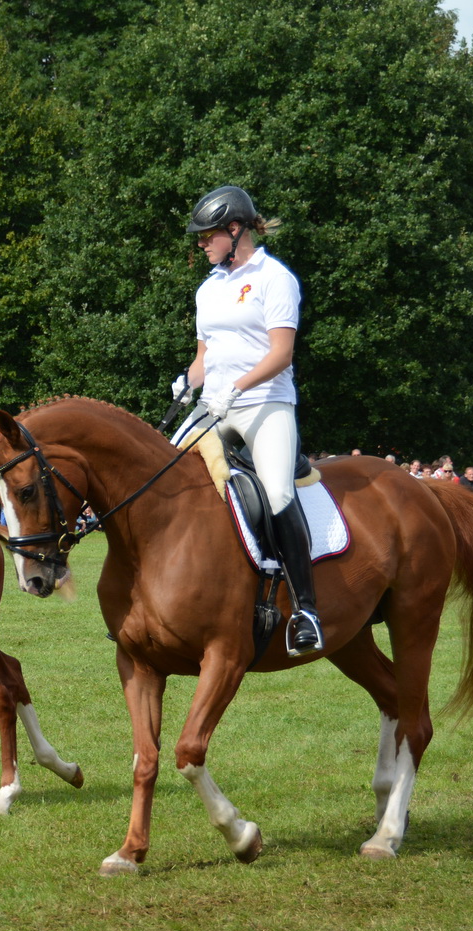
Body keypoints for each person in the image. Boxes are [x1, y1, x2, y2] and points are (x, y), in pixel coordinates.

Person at [179, 184, 320, 654]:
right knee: (166, 472)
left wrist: (237, 388)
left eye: (207, 236)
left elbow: (282, 352)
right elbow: (205, 356)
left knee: (278, 490)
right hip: (214, 405)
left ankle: (306, 609)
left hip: (265, 404)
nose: (201, 244)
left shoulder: (273, 278)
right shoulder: (208, 289)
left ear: (234, 230)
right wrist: (188, 381)